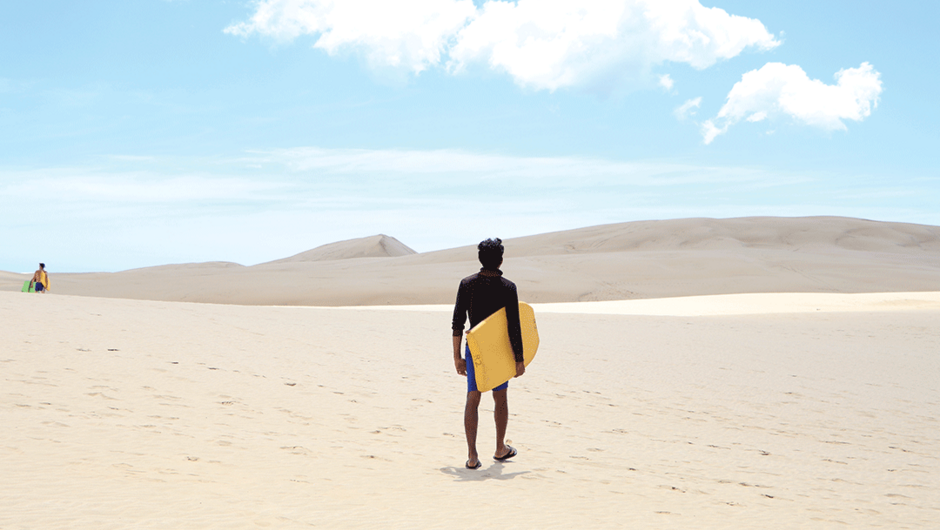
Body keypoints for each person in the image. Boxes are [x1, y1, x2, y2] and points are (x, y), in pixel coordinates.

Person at [452, 238, 525, 470]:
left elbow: (457, 323)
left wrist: (457, 357)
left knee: (473, 397)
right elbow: (514, 326)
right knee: (500, 397)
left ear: (480, 259)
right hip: (499, 349)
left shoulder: (467, 284)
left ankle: (472, 456)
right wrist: (519, 359)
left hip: (474, 348)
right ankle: (499, 448)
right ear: (501, 259)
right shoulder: (508, 287)